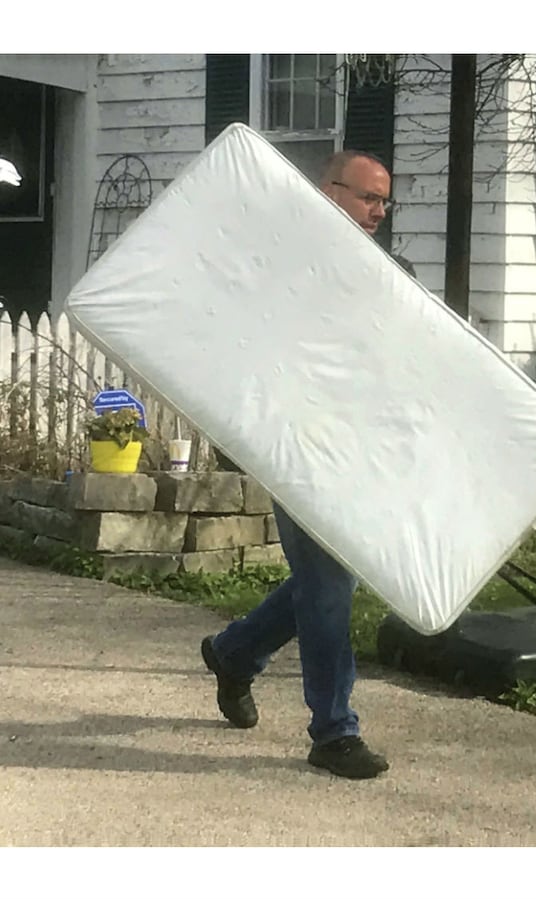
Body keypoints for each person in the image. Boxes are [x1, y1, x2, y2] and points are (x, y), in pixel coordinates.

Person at [199, 149, 412, 779]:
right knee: (329, 581)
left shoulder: (382, 272)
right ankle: (333, 732)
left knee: (324, 580)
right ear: (328, 190)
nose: (379, 211)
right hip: (294, 444)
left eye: (384, 201)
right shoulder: (287, 266)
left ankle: (234, 654)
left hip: (354, 446)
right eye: (368, 197)